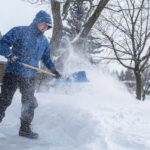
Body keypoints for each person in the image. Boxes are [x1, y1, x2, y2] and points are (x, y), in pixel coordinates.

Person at [0, 10, 61, 139]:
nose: (45, 28)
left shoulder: (44, 41)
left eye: (48, 27)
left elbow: (46, 59)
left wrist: (53, 70)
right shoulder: (20, 31)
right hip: (13, 72)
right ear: (37, 21)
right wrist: (10, 55)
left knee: (29, 103)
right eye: (44, 24)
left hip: (30, 76)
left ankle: (25, 129)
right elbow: (2, 43)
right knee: (4, 101)